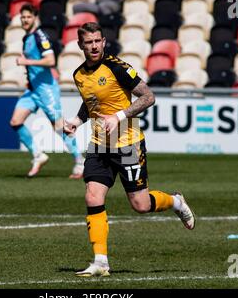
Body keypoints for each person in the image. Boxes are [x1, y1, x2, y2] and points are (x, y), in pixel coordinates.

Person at [63, 22, 196, 277]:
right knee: (93, 196)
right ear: (80, 45)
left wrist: (119, 116)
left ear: (103, 42)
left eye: (97, 41)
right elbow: (90, 104)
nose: (93, 46)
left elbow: (148, 97)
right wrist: (77, 122)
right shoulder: (79, 75)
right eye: (88, 42)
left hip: (128, 144)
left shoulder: (117, 67)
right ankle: (100, 261)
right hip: (100, 145)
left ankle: (176, 202)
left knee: (141, 205)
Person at [10, 4, 84, 178]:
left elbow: (50, 60)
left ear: (35, 18)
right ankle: (38, 155)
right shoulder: (26, 38)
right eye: (22, 17)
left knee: (58, 127)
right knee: (15, 121)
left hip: (46, 90)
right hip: (32, 90)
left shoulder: (40, 36)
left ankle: (80, 162)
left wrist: (26, 62)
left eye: (28, 17)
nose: (25, 20)